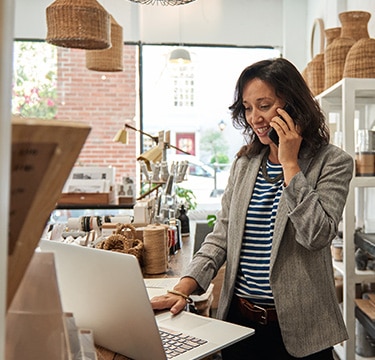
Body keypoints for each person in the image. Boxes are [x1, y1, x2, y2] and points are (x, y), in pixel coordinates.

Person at [151, 58, 353, 359]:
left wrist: (289, 164)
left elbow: (317, 235)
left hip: (302, 333)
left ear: (292, 106)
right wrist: (184, 286)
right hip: (240, 325)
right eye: (247, 107)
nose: (255, 117)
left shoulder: (333, 162)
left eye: (264, 105)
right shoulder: (245, 164)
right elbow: (221, 237)